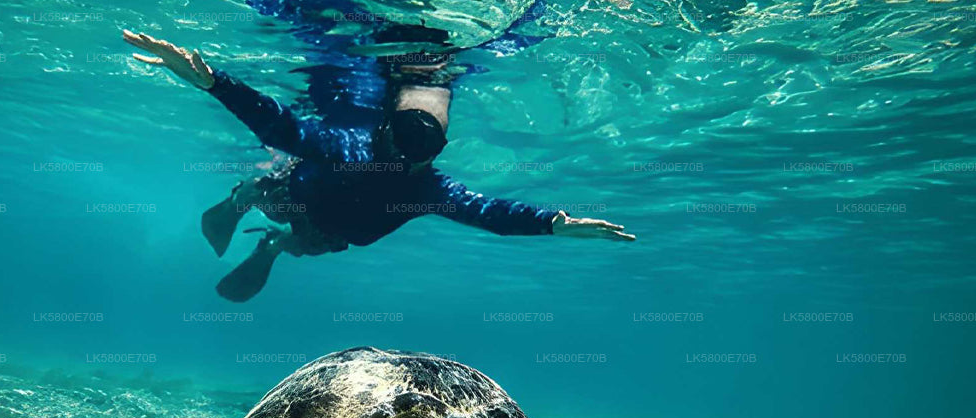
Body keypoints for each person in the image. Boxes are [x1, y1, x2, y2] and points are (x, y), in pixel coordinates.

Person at [123, 30, 635, 301]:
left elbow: (491, 213)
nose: (408, 160)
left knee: (300, 236)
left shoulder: (429, 185)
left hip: (333, 229)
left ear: (438, 148)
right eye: (402, 146)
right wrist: (216, 83)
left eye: (422, 150)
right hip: (300, 196)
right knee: (271, 191)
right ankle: (244, 201)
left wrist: (552, 224)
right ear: (384, 132)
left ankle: (272, 244)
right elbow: (283, 129)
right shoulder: (353, 145)